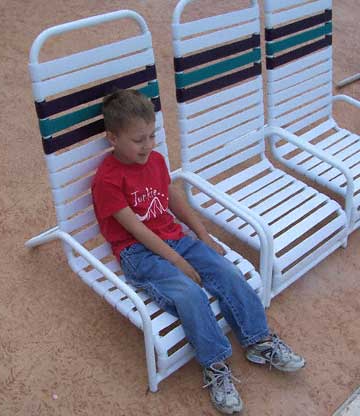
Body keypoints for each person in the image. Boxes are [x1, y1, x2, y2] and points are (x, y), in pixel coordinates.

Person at [92, 89, 305, 414]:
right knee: (189, 293)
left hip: (175, 238)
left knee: (225, 271)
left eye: (151, 136)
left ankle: (258, 341)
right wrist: (176, 261)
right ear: (112, 138)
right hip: (138, 253)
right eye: (138, 140)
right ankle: (215, 365)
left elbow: (171, 196)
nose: (148, 145)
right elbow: (135, 229)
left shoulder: (155, 160)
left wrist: (203, 235)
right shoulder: (106, 181)